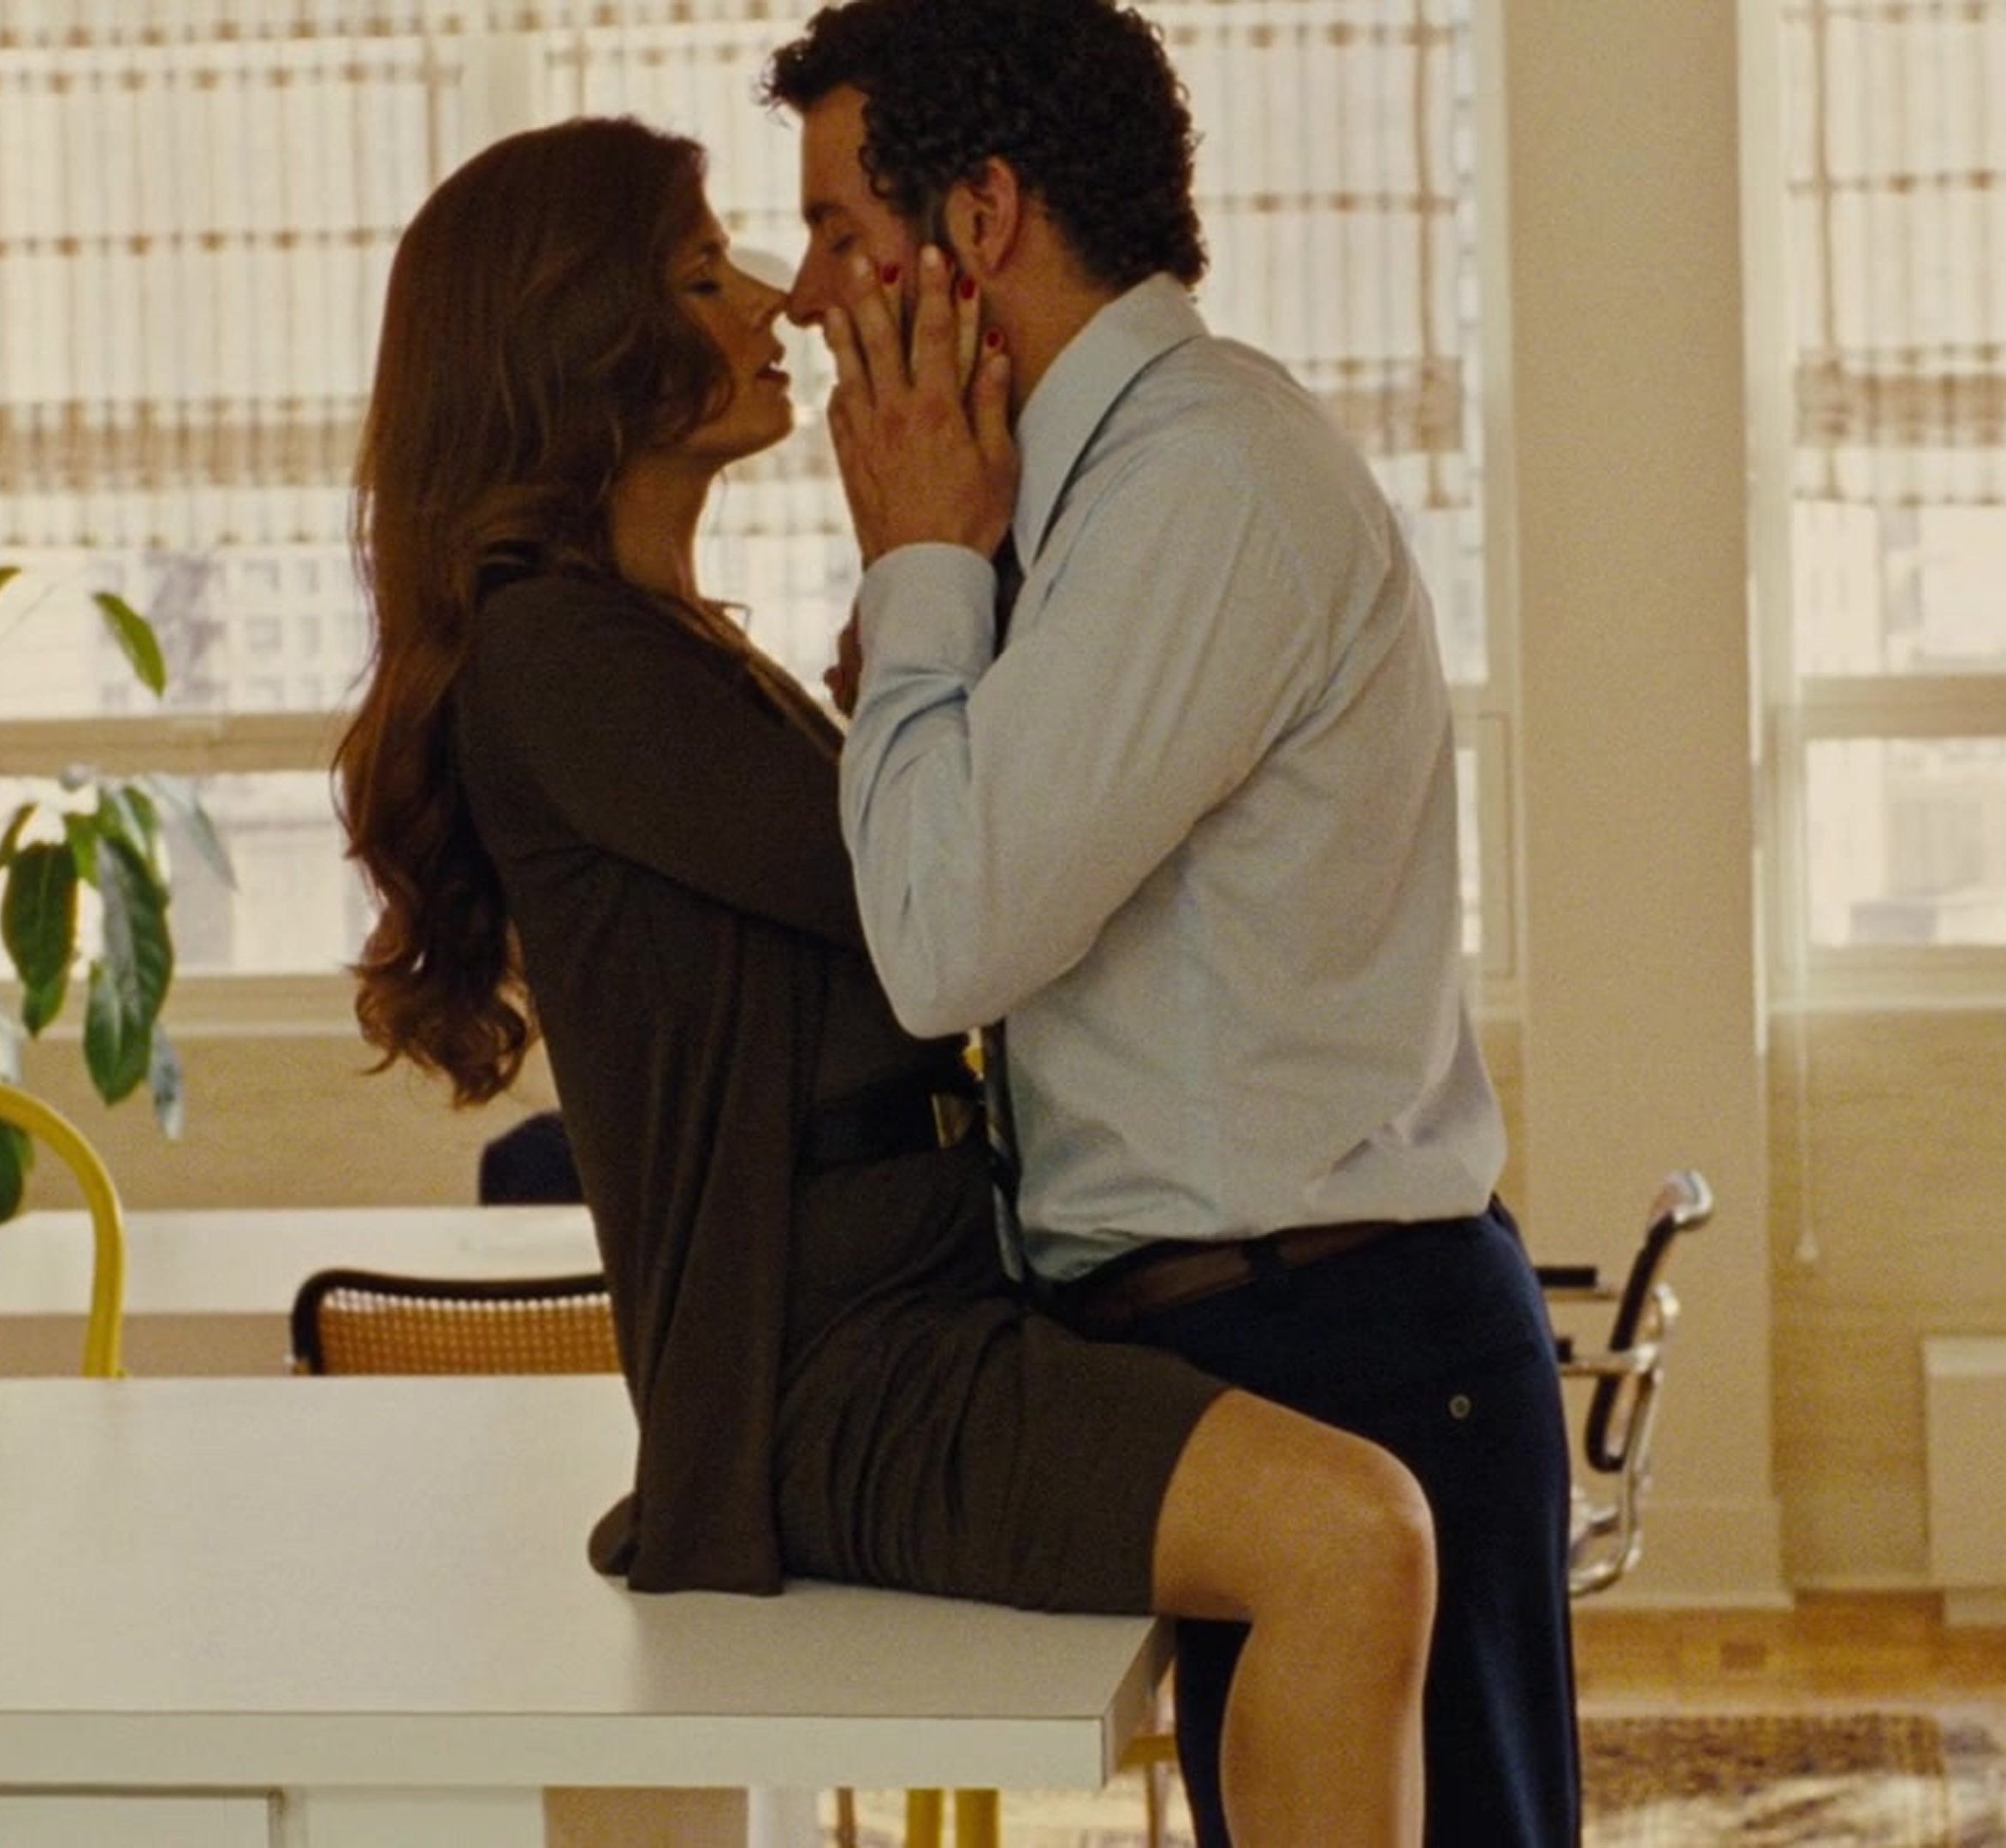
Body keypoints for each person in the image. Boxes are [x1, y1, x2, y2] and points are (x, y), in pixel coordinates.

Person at [332, 115, 1437, 1845]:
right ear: (575, 343)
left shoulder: (676, 651)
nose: (775, 300)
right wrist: (930, 568)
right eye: (702, 273)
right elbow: (935, 907)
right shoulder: (561, 661)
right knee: (1350, 1537)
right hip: (837, 1374)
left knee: (1352, 1523)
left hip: (928, 1309)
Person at [767, 4, 1581, 1844]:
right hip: (1254, 1348)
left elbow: (944, 941)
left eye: (835, 228)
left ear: (981, 218)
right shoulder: (1084, 498)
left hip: (1348, 1351)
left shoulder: (1199, 485)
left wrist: (918, 571)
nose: (805, 296)